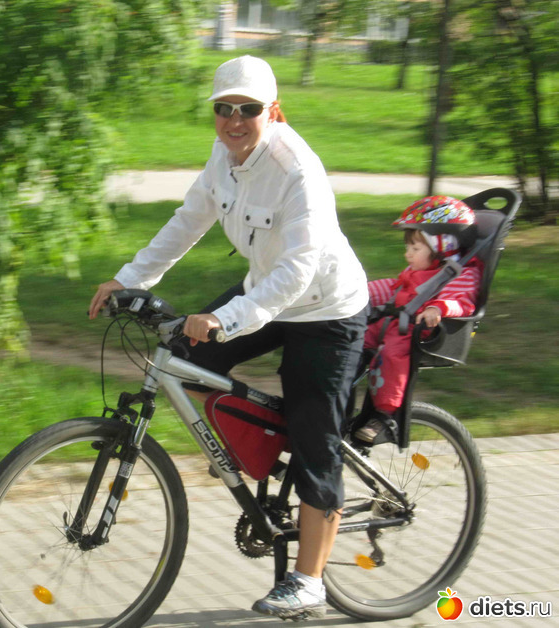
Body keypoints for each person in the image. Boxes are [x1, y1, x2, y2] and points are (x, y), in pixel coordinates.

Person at [89, 55, 369, 620]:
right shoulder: (225, 155)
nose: (235, 120)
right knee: (183, 357)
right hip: (265, 291)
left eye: (249, 109)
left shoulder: (299, 171)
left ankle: (309, 581)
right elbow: (188, 220)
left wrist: (227, 318)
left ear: (274, 111)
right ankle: (272, 442)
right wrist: (130, 279)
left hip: (325, 312)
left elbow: (298, 269)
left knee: (314, 441)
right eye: (224, 109)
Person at [355, 195, 482, 444]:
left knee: (391, 355)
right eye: (408, 248)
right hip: (393, 323)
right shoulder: (418, 272)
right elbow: (395, 288)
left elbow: (462, 301)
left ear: (443, 247)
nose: (408, 254)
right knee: (351, 336)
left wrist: (438, 308)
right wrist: (360, 291)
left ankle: (384, 415)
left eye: (415, 249)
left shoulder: (459, 275)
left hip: (419, 330)